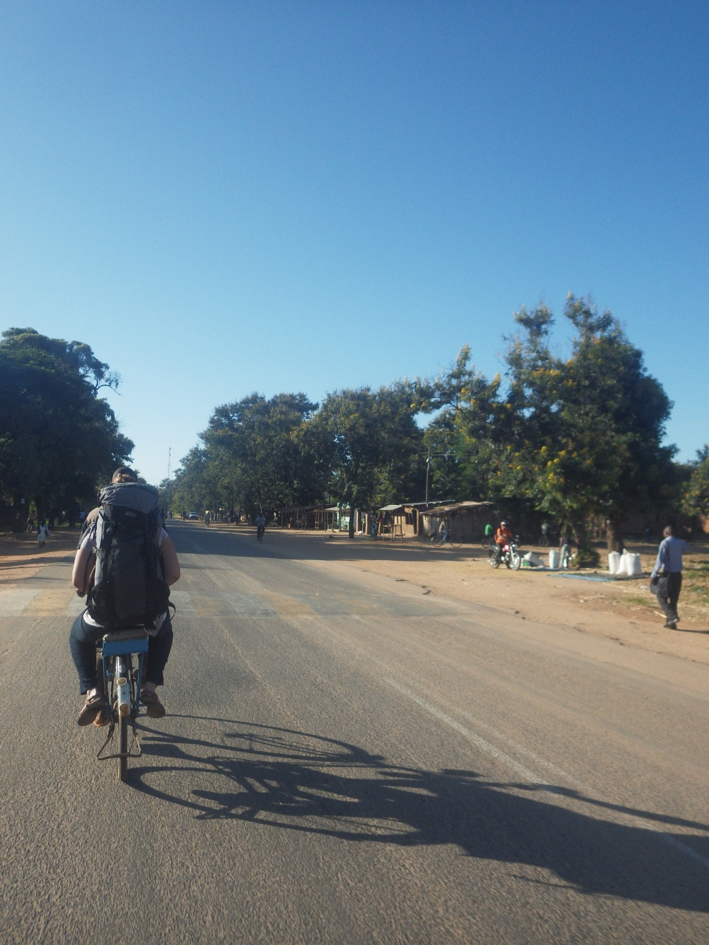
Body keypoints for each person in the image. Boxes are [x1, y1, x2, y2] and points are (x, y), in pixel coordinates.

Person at [69, 467, 181, 727]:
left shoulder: (98, 517)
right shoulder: (153, 522)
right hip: (147, 614)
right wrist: (152, 591)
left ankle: (92, 692)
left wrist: (88, 590)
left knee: (78, 636)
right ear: (137, 488)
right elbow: (173, 573)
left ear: (111, 489)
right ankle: (150, 687)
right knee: (164, 632)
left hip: (105, 612)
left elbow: (77, 580)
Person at [650, 525, 690, 630]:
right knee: (673, 599)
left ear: (666, 533)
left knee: (661, 596)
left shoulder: (665, 542)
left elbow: (660, 559)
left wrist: (653, 573)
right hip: (678, 575)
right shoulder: (680, 542)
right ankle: (671, 623)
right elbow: (688, 548)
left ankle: (672, 617)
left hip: (668, 574)